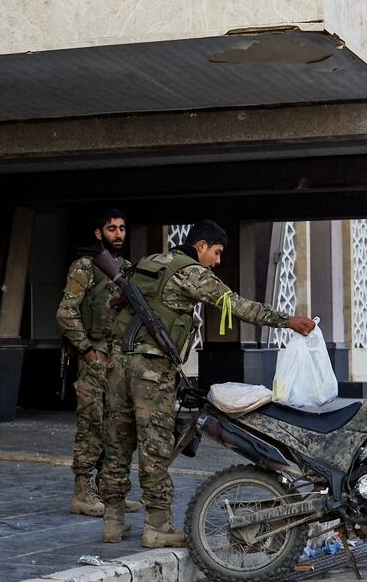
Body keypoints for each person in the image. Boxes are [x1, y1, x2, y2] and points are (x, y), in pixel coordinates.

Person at [99, 219, 315, 547]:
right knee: (155, 446)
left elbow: (110, 305)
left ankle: (112, 521)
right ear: (200, 245)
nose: (218, 260)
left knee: (117, 441)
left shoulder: (149, 264)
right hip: (151, 370)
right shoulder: (192, 272)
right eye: (216, 252)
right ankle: (157, 525)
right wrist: (287, 321)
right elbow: (238, 306)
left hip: (118, 366)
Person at [55, 208, 139, 517]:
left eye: (122, 228)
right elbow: (66, 312)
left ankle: (109, 491)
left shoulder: (127, 269)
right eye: (111, 228)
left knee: (116, 426)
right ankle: (82, 492)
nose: (118, 233)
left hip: (119, 358)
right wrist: (87, 351)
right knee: (91, 422)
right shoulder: (85, 268)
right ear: (98, 233)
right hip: (95, 355)